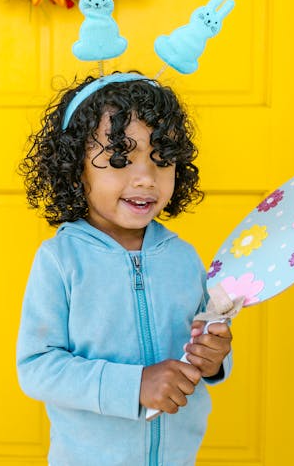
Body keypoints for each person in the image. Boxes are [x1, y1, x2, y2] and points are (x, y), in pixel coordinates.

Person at [16, 72, 233, 466]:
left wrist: (214, 357)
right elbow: (37, 368)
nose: (146, 178)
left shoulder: (184, 258)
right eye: (120, 159)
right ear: (76, 170)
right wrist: (134, 386)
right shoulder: (60, 260)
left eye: (161, 160)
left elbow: (204, 335)